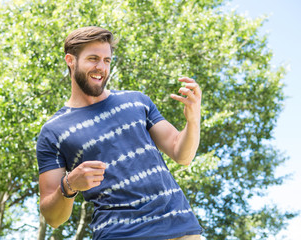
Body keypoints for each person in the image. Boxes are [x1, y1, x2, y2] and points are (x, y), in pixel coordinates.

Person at [37, 26, 203, 240]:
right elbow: (53, 218)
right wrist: (70, 185)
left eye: (106, 60)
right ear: (70, 60)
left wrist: (193, 120)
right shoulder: (53, 131)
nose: (101, 68)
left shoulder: (137, 101)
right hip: (120, 234)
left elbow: (182, 154)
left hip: (181, 229)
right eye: (93, 59)